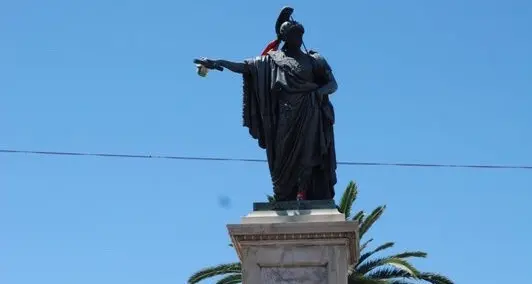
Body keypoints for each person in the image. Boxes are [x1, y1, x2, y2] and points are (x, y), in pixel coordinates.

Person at [198, 20, 338, 202]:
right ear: (285, 37)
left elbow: (333, 84)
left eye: (300, 34)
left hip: (309, 110)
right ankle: (284, 194)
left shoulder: (314, 60)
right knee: (281, 157)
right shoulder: (272, 60)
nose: (299, 37)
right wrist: (219, 62)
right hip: (284, 114)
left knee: (308, 152)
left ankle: (302, 193)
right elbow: (245, 67)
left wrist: (318, 93)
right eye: (295, 34)